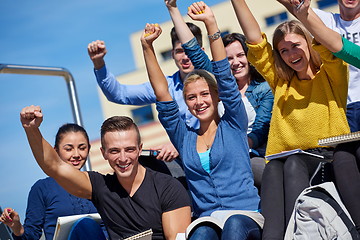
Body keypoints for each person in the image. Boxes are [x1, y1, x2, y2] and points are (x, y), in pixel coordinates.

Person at [141, 1, 262, 239]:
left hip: (245, 217)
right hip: (208, 219)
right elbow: (162, 94)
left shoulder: (233, 123)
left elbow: (224, 75)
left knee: (235, 225)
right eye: (191, 97)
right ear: (186, 103)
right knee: (200, 234)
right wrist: (147, 46)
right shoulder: (184, 137)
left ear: (217, 96)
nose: (199, 101)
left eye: (205, 94)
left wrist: (211, 24)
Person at [229, 0, 350, 238]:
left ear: (309, 43)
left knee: (292, 164)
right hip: (283, 161)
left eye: (295, 45)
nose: (291, 54)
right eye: (283, 50)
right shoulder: (282, 81)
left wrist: (303, 16)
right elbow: (255, 42)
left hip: (325, 158)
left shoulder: (331, 73)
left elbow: (329, 44)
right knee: (273, 168)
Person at [18, 105, 191, 240]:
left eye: (129, 149)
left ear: (139, 149)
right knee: (85, 227)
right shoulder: (101, 186)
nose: (123, 158)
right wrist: (31, 129)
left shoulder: (168, 187)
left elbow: (176, 237)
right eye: (115, 151)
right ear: (103, 153)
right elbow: (55, 166)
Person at [164, 0, 273, 188]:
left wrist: (236, 146)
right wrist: (173, 9)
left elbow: (261, 130)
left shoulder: (264, 89)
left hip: (252, 154)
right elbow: (193, 50)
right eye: (229, 58)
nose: (236, 62)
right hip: (218, 153)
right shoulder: (220, 83)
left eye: (240, 56)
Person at [287, 0, 360, 233]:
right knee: (343, 158)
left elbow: (340, 47)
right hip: (343, 108)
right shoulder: (329, 21)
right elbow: (342, 48)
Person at [87, 22, 204, 162]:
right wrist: (99, 63)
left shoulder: (216, 79)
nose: (185, 57)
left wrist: (181, 144)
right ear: (172, 54)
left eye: (189, 50)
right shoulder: (163, 86)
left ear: (201, 51)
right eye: (179, 51)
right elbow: (119, 94)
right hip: (184, 162)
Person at [0, 123, 100, 240]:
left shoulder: (99, 182)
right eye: (68, 149)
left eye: (82, 148)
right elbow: (30, 236)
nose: (76, 154)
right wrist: (16, 226)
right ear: (55, 151)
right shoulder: (42, 188)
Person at [279, 0, 360, 132]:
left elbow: (341, 47)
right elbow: (296, 6)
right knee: (342, 153)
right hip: (339, 107)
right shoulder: (326, 21)